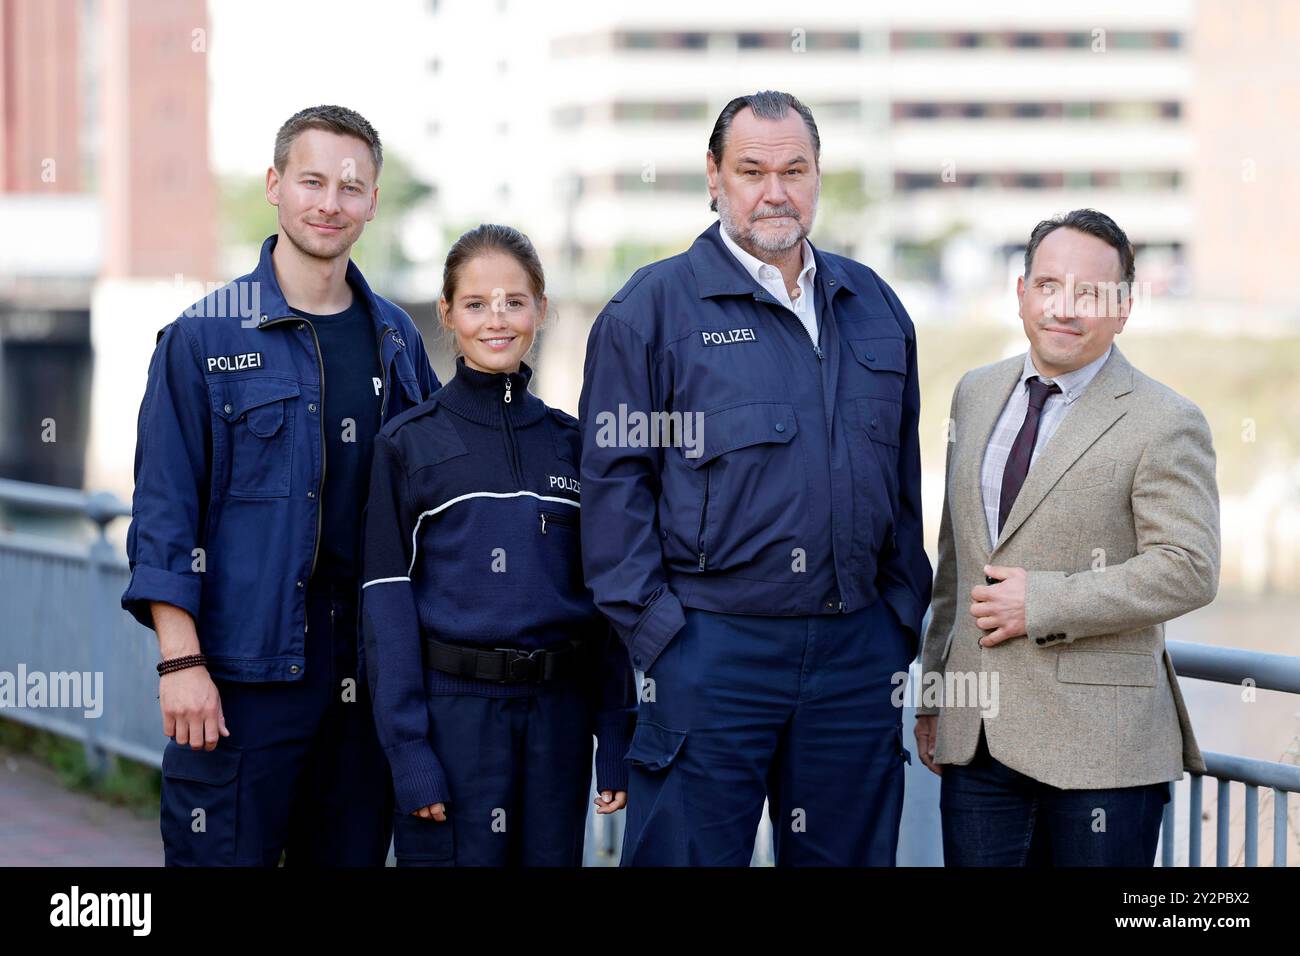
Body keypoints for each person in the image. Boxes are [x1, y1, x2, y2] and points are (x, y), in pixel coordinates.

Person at [578, 90, 932, 866]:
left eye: (794, 169)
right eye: (752, 170)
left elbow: (902, 484)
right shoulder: (652, 311)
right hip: (712, 654)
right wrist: (667, 642)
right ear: (714, 175)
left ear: (817, 175)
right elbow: (613, 493)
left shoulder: (873, 305)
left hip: (854, 657)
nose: (776, 190)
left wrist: (897, 622)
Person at [121, 105, 440, 866]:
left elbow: (433, 502)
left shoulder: (396, 338)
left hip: (366, 669)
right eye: (312, 181)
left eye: (351, 187)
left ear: (372, 200)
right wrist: (181, 661)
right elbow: (165, 513)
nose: (331, 202)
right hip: (243, 667)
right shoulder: (203, 335)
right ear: (274, 185)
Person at [914, 208, 1219, 866]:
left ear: (1124, 307)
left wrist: (1044, 603)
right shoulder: (974, 393)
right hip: (978, 747)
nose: (1065, 308)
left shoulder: (1165, 419)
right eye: (1049, 285)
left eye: (1091, 293)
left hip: (1101, 757)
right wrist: (936, 693)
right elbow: (955, 563)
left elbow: (1189, 567)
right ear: (1021, 291)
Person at [361, 224, 634, 866]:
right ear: (449, 314)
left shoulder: (574, 445)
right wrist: (410, 754)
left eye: (515, 301)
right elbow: (385, 609)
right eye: (477, 303)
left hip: (558, 722)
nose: (497, 320)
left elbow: (607, 604)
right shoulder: (408, 444)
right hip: (454, 720)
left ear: (541, 309)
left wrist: (615, 735)